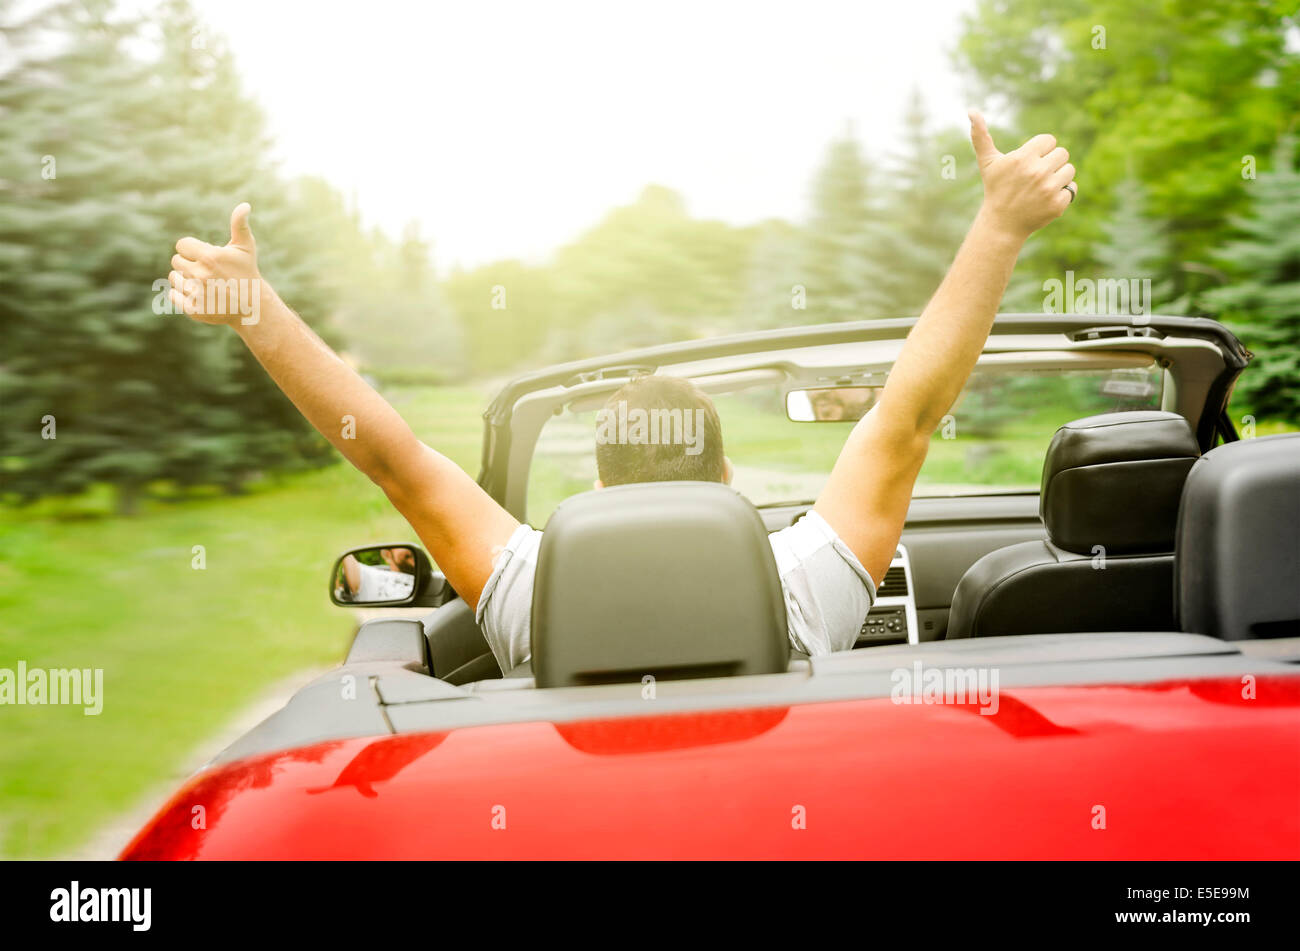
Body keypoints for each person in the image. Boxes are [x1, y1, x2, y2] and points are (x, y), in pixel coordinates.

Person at [165, 110, 1076, 673]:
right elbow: (906, 416)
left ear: (597, 490)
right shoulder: (804, 590)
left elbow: (392, 456)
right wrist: (998, 225)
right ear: (728, 481)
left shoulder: (528, 595)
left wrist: (258, 310)